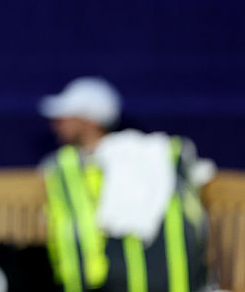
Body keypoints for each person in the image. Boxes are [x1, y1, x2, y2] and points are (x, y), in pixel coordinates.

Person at [40, 77, 212, 292]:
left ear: (89, 120)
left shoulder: (133, 158)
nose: (57, 123)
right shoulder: (67, 167)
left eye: (67, 116)